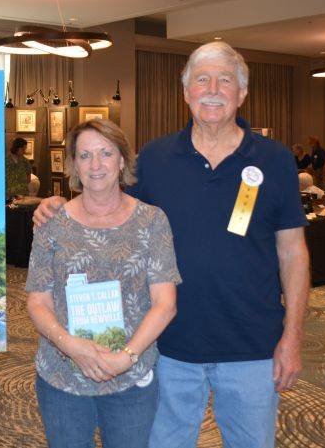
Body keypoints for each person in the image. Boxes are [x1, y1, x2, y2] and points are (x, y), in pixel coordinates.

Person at [35, 41, 310, 448]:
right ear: (186, 93)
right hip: (169, 347)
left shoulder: (275, 160)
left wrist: (293, 337)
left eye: (225, 80)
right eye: (202, 79)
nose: (213, 88)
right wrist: (58, 204)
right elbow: (105, 201)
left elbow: (293, 253)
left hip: (252, 346)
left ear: (242, 93)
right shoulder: (155, 158)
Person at [26, 119, 180, 448]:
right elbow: (38, 302)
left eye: (105, 153)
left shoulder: (152, 221)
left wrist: (126, 356)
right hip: (62, 377)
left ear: (122, 160)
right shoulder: (52, 223)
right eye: (85, 156)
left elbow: (165, 303)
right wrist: (69, 346)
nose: (96, 165)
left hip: (130, 379)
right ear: (74, 165)